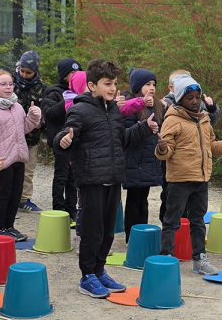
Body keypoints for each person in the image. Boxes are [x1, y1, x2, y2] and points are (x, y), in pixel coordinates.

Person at [59, 59, 156, 297]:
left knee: (108, 230)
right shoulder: (79, 109)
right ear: (92, 85)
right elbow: (65, 135)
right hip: (91, 179)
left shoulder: (112, 110)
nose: (113, 88)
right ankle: (87, 276)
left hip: (113, 178)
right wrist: (63, 140)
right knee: (92, 230)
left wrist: (144, 127)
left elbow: (121, 140)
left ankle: (100, 270)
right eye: (107, 83)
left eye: (114, 83)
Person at [156, 75, 222, 277]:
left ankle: (199, 258)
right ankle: (165, 256)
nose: (194, 100)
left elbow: (211, 145)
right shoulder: (172, 120)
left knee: (198, 220)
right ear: (180, 99)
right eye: (189, 97)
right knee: (172, 220)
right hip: (179, 181)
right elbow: (165, 153)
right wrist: (162, 148)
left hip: (201, 179)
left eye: (197, 96)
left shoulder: (205, 119)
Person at [0, 67, 41, 240]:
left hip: (19, 156)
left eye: (11, 84)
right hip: (1, 158)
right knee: (4, 194)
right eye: (3, 84)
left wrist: (33, 117)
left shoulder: (16, 106)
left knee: (16, 194)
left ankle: (10, 227)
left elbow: (24, 128)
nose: (8, 87)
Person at [120, 68, 163, 241]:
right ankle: (131, 237)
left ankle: (142, 235)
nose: (152, 88)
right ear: (138, 87)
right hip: (133, 160)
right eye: (147, 84)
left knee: (144, 200)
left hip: (148, 160)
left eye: (153, 84)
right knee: (133, 200)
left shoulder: (158, 106)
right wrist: (145, 127)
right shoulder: (130, 106)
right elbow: (126, 135)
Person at [13, 50, 57, 212]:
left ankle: (24, 200)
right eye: (22, 71)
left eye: (28, 72)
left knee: (28, 169)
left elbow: (48, 112)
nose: (24, 75)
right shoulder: (10, 83)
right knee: (8, 169)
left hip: (31, 138)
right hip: (10, 136)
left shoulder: (43, 88)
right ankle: (8, 199)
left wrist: (40, 123)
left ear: (36, 71)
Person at [45, 57, 80, 216]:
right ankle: (58, 210)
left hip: (76, 141)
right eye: (72, 72)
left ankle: (72, 210)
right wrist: (66, 101)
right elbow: (50, 114)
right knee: (61, 176)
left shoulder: (82, 92)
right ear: (64, 75)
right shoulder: (54, 92)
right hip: (61, 141)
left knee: (73, 177)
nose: (76, 75)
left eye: (78, 72)